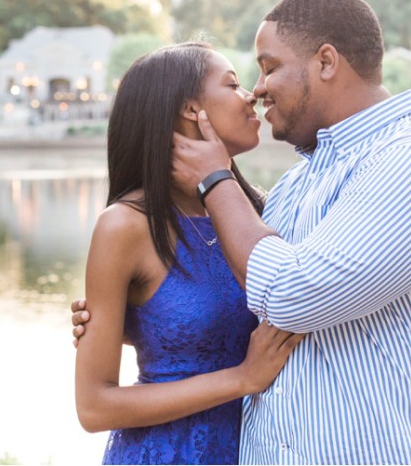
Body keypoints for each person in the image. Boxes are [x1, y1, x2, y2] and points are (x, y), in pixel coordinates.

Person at [76, 0, 411, 464]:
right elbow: (242, 306)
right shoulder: (294, 187)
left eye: (268, 68)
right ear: (190, 110)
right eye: (240, 80)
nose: (255, 92)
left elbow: (288, 295)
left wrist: (215, 179)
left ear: (324, 62)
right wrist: (135, 320)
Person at [74, 42, 304, 465]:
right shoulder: (125, 226)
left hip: (262, 448)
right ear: (188, 108)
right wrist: (241, 379)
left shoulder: (261, 212)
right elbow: (94, 407)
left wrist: (137, 326)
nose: (251, 94)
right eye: (232, 84)